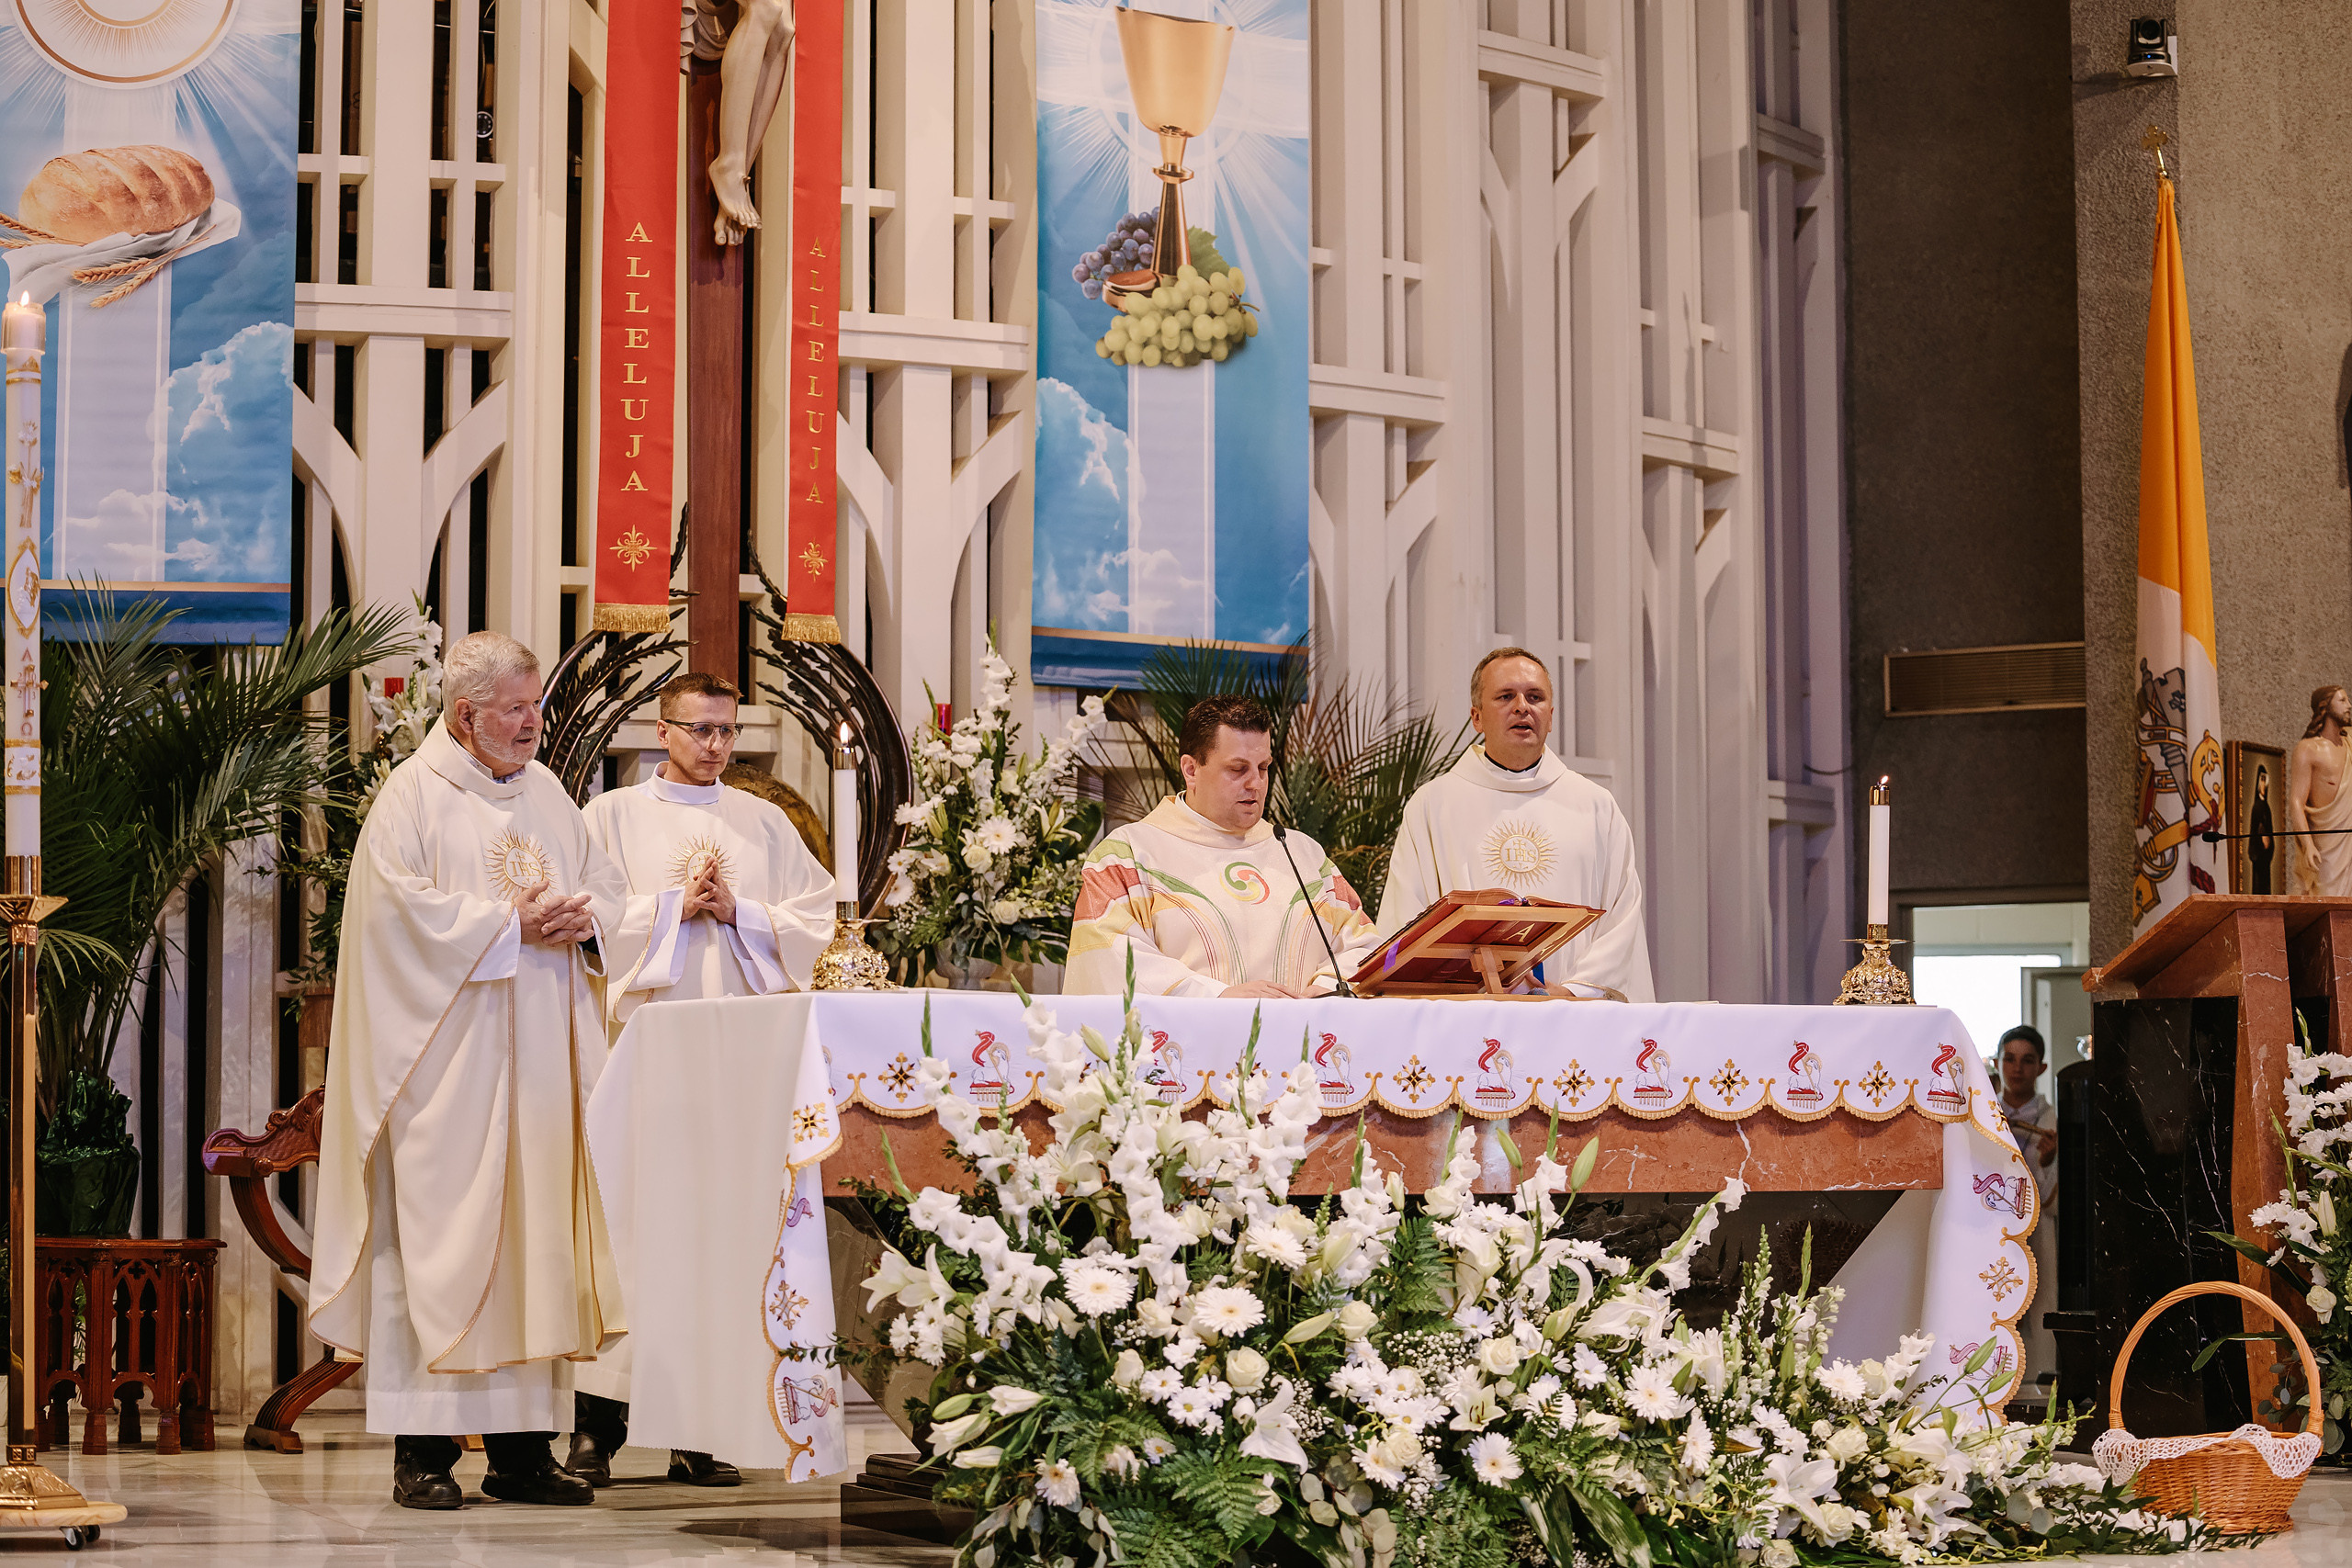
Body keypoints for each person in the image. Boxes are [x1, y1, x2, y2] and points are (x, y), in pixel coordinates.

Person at [309, 632, 630, 1510]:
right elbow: (394, 922)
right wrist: (505, 926)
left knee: (537, 1251)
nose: (534, 722)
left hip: (544, 1071)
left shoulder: (549, 793)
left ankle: (523, 1452)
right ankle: (422, 1452)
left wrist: (590, 921)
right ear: (464, 715)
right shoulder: (411, 798)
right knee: (439, 1247)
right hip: (449, 1074)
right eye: (515, 708)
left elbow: (607, 888)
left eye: (536, 704)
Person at [568, 671, 836, 1487]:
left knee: (720, 1239)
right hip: (645, 1063)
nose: (716, 745)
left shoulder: (764, 823)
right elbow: (585, 920)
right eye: (700, 729)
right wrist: (670, 909)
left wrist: (737, 911)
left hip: (738, 1070)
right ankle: (595, 1430)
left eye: (727, 730)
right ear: (663, 729)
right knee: (630, 1236)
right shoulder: (610, 816)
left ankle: (700, 1432)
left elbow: (816, 920)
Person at [1378, 648, 1655, 1000]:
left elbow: (1622, 919)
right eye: (1506, 696)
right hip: (1466, 1013)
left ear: (1550, 717)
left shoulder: (1596, 807)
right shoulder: (1433, 806)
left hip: (1574, 1014)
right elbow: (1406, 920)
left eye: (1535, 697)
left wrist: (1572, 992)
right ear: (1477, 717)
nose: (1522, 707)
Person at [1067, 694, 1378, 998]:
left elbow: (1363, 948)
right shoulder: (1127, 857)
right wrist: (1219, 998)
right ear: (1191, 770)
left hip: (1301, 1033)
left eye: (1263, 767)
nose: (1256, 783)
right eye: (1237, 769)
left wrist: (1327, 990)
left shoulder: (1302, 854)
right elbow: (1109, 959)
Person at [1996, 1024, 2059, 1384]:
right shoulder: (1983, 1115)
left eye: (2027, 1060)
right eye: (2009, 1059)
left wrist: (2048, 1162)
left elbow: (2053, 1199)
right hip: (1991, 1230)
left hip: (2037, 1231)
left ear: (2041, 1068)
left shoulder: (2052, 1121)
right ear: (1997, 1063)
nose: (2017, 1069)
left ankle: (2037, 1381)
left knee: (2039, 1299)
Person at [2290, 685, 2352, 896]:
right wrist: (2307, 844)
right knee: (2328, 902)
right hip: (2326, 849)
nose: (2349, 705)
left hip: (2350, 841)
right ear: (2324, 706)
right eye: (2342, 700)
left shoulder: (2350, 745)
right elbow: (2296, 802)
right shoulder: (2308, 749)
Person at [2249, 762, 2276, 894]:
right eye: (2262, 780)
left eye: (2266, 781)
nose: (2264, 784)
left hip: (2266, 855)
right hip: (2258, 853)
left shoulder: (2266, 807)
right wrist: (2261, 842)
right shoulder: (2257, 807)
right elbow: (2255, 830)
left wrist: (2269, 844)